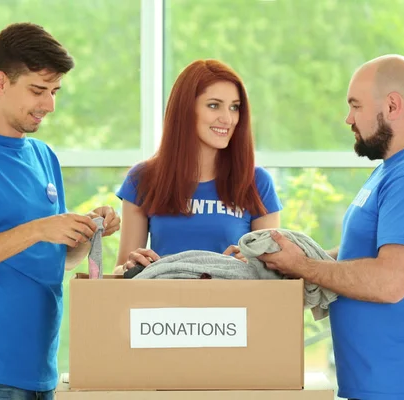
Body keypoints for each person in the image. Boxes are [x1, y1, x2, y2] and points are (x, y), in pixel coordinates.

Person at [0, 22, 120, 399]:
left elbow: (55, 260)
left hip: (39, 367)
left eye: (55, 91)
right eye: (38, 90)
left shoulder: (43, 157)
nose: (49, 105)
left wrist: (86, 230)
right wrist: (38, 229)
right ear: (0, 82)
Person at [259, 55, 404, 400]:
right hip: (383, 385)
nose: (348, 119)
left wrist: (303, 266)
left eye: (355, 106)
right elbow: (359, 256)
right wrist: (281, 257)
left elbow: (390, 281)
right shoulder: (394, 170)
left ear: (391, 105)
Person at [115, 59, 282, 273]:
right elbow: (120, 270)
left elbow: (274, 275)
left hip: (235, 304)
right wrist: (131, 266)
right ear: (185, 109)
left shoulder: (257, 182)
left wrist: (255, 266)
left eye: (235, 107)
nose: (228, 118)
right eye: (214, 105)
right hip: (163, 304)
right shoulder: (143, 178)